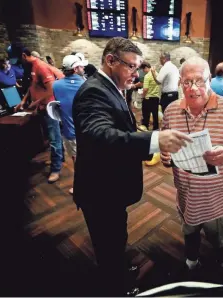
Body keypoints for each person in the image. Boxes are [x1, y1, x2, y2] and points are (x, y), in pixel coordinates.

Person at [72, 37, 191, 296]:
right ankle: (114, 287)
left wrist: (137, 135)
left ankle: (116, 270)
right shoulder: (94, 90)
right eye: (131, 67)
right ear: (110, 60)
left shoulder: (108, 87)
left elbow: (116, 128)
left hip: (110, 187)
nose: (135, 74)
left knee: (116, 239)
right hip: (100, 191)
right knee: (107, 244)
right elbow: (99, 135)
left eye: (137, 68)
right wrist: (154, 139)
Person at [160, 56, 223, 273]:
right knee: (190, 234)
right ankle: (191, 262)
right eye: (186, 82)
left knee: (221, 241)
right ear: (180, 82)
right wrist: (166, 156)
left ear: (210, 79)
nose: (193, 88)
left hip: (218, 198)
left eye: (199, 81)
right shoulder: (171, 111)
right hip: (186, 195)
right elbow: (167, 144)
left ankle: (221, 265)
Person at [15, 47, 65, 182]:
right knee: (53, 136)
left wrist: (35, 102)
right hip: (42, 106)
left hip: (49, 107)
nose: (18, 63)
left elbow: (51, 89)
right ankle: (60, 158)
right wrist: (24, 101)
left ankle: (56, 168)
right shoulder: (33, 67)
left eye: (19, 59)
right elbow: (33, 86)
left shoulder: (41, 67)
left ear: (24, 55)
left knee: (54, 138)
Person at [52, 55, 85, 194]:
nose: (83, 68)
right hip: (87, 131)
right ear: (76, 68)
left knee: (76, 159)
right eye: (81, 66)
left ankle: (81, 185)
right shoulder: (87, 84)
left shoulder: (56, 85)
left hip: (69, 132)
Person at [142, 61, 160, 130]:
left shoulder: (147, 76)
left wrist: (143, 96)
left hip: (148, 98)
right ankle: (156, 130)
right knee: (155, 115)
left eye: (143, 69)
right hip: (156, 98)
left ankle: (145, 129)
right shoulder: (157, 74)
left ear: (146, 68)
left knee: (146, 115)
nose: (143, 71)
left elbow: (145, 89)